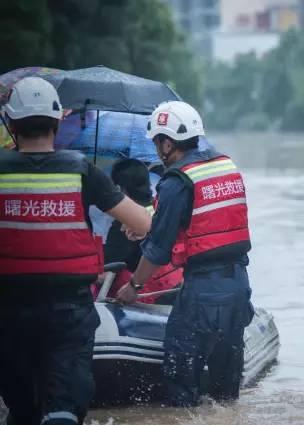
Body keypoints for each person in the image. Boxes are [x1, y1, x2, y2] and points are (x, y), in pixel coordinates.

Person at [0, 77, 151, 425]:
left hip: (8, 311)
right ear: (56, 122)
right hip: (68, 313)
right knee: (64, 408)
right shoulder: (81, 169)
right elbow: (142, 223)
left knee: (22, 410)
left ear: (11, 123)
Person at [115, 101, 255, 405]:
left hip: (202, 295)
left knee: (181, 387)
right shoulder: (225, 166)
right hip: (238, 287)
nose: (156, 151)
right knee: (226, 394)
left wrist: (133, 287)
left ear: (167, 143)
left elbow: (158, 252)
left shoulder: (177, 180)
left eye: (156, 143)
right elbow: (206, 223)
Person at [99, 158, 182, 304]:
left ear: (119, 189)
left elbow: (105, 274)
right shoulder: (159, 207)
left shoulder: (125, 223)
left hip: (148, 295)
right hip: (177, 285)